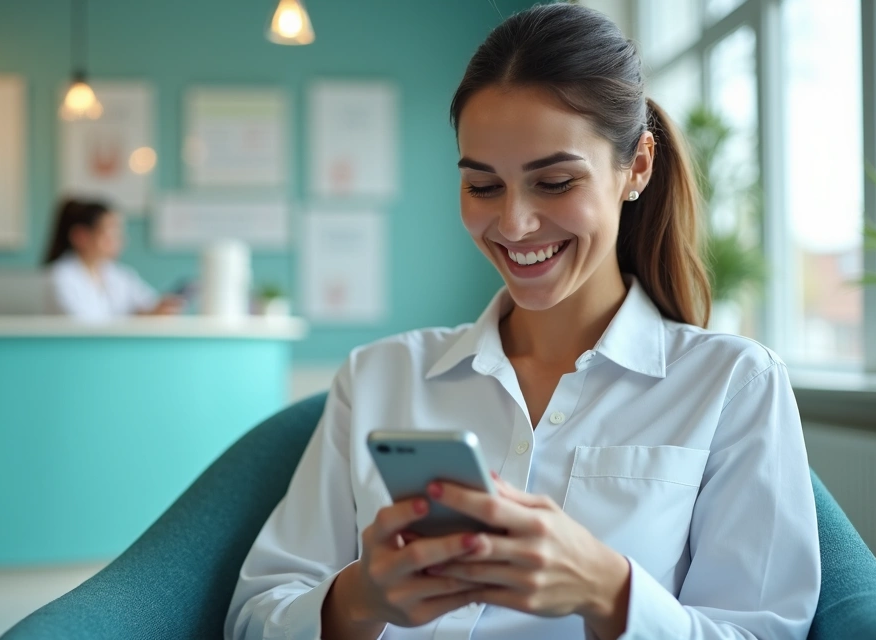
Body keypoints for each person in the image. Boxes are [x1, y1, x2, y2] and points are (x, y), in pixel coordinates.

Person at [227, 5, 819, 640]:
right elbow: (253, 613)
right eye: (483, 187)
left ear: (637, 167)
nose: (513, 225)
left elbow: (761, 633)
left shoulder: (732, 384)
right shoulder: (378, 377)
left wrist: (610, 592)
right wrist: (356, 600)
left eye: (555, 182)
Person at [42, 199, 182, 321]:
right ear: (81, 236)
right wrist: (137, 318)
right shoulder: (60, 277)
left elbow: (146, 302)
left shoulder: (118, 274)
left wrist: (157, 311)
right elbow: (83, 329)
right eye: (111, 233)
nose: (119, 240)